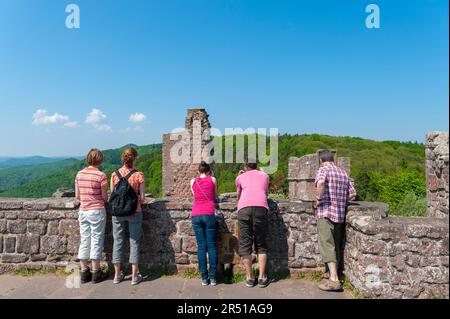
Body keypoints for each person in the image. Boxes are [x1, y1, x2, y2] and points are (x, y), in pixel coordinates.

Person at [315, 150, 357, 292]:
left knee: (327, 245)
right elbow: (353, 193)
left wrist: (319, 199)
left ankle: (334, 280)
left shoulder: (323, 169)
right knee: (336, 245)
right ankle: (334, 274)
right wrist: (340, 201)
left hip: (326, 212)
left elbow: (320, 183)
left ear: (321, 160)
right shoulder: (343, 172)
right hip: (339, 214)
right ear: (333, 159)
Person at [110, 147, 146, 286]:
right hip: (134, 211)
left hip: (117, 213)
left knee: (117, 241)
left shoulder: (114, 174)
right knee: (134, 241)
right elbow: (142, 198)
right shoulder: (139, 175)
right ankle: (134, 277)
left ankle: (117, 275)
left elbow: (113, 194)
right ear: (135, 159)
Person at [75, 148, 109, 284]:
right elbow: (105, 197)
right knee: (96, 240)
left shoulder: (79, 174)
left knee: (85, 240)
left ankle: (84, 272)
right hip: (97, 211)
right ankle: (96, 272)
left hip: (83, 210)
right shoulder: (101, 176)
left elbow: (77, 196)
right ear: (100, 160)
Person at [235, 159, 270, 288]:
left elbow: (238, 194)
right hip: (261, 208)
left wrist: (240, 176)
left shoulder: (240, 177)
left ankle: (250, 278)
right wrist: (262, 172)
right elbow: (266, 193)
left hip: (244, 209)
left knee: (245, 244)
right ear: (257, 166)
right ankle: (261, 277)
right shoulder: (264, 176)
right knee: (261, 244)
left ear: (245, 166)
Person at [190, 161, 218, 286]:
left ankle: (203, 278)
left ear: (198, 171)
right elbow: (214, 195)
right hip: (209, 213)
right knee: (211, 246)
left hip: (196, 214)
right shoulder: (212, 179)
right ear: (209, 171)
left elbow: (194, 195)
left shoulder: (193, 181)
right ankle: (213, 278)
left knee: (201, 247)